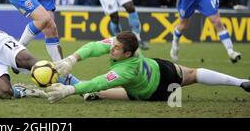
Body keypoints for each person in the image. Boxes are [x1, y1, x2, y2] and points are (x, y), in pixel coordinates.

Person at [45, 31, 250, 103]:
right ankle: (242, 82)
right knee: (194, 73)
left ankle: (240, 82)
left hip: (156, 90)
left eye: (116, 48)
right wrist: (72, 59)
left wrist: (70, 90)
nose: (111, 49)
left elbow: (100, 81)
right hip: (159, 67)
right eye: (113, 44)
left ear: (127, 53)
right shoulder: (128, 46)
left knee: (99, 89)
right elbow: (93, 47)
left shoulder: (126, 69)